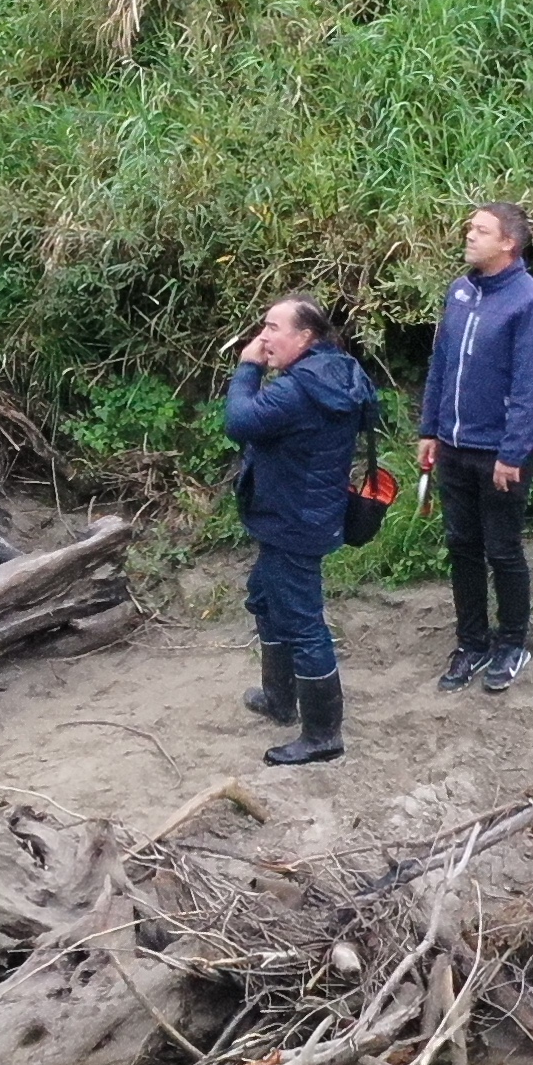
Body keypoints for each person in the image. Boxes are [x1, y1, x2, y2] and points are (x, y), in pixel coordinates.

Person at [222, 294, 375, 766]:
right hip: (305, 512)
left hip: (293, 520)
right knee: (266, 598)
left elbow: (239, 422)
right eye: (262, 328)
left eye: (272, 328)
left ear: (305, 337)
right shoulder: (340, 371)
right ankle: (279, 699)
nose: (263, 337)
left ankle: (323, 735)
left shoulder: (298, 390)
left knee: (305, 623)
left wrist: (247, 369)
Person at [416, 201, 533, 692]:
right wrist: (428, 430)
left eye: (480, 230)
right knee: (461, 547)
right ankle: (472, 643)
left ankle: (513, 642)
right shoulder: (459, 292)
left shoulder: (531, 304)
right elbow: (441, 366)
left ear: (508, 243)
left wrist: (512, 453)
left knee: (502, 550)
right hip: (453, 446)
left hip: (500, 452)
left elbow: (530, 389)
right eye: (469, 228)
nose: (469, 236)